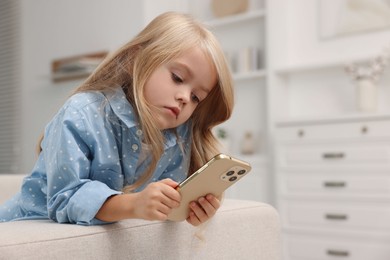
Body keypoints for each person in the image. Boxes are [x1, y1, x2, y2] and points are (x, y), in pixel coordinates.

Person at [0, 11, 234, 226]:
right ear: (136, 60)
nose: (185, 98)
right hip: (23, 229)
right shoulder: (82, 113)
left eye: (196, 97)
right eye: (177, 78)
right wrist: (133, 204)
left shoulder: (177, 137)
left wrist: (185, 209)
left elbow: (161, 209)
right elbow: (65, 199)